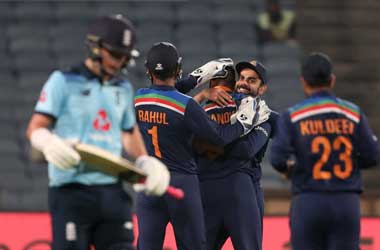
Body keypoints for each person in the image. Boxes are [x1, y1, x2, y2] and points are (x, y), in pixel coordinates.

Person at [25, 15, 170, 250]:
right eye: (115, 54)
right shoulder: (62, 81)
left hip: (112, 189)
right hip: (71, 190)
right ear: (95, 46)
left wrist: (144, 160)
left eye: (124, 57)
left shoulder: (122, 88)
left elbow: (128, 131)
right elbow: (35, 127)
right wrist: (46, 141)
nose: (119, 62)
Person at [134, 42, 262, 250]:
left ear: (148, 71)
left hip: (150, 181)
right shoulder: (187, 106)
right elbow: (219, 137)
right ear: (178, 69)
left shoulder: (139, 98)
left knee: (146, 246)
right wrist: (243, 121)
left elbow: (165, 94)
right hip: (181, 183)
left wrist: (197, 85)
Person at [270, 52, 380, 250]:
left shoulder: (292, 116)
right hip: (346, 202)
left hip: (308, 200)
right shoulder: (353, 113)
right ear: (332, 80)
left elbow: (277, 159)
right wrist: (350, 162)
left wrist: (292, 169)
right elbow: (373, 156)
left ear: (303, 82)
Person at [193, 60, 275, 250]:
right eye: (242, 78)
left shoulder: (263, 114)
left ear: (262, 89)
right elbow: (245, 150)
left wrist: (207, 144)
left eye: (252, 80)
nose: (244, 83)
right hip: (227, 189)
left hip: (230, 191)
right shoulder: (259, 114)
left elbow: (246, 149)